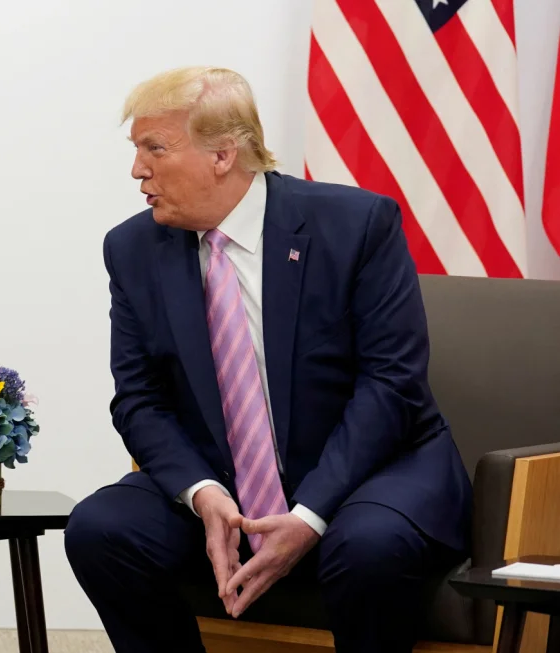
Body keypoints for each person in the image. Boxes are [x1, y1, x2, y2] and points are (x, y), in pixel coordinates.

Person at [64, 66, 472, 653]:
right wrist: (203, 492)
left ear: (224, 154)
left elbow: (392, 384)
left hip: (372, 470)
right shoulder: (132, 249)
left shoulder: (356, 225)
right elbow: (139, 398)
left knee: (369, 547)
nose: (138, 171)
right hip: (224, 480)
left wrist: (309, 515)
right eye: (136, 150)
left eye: (155, 148)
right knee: (101, 530)